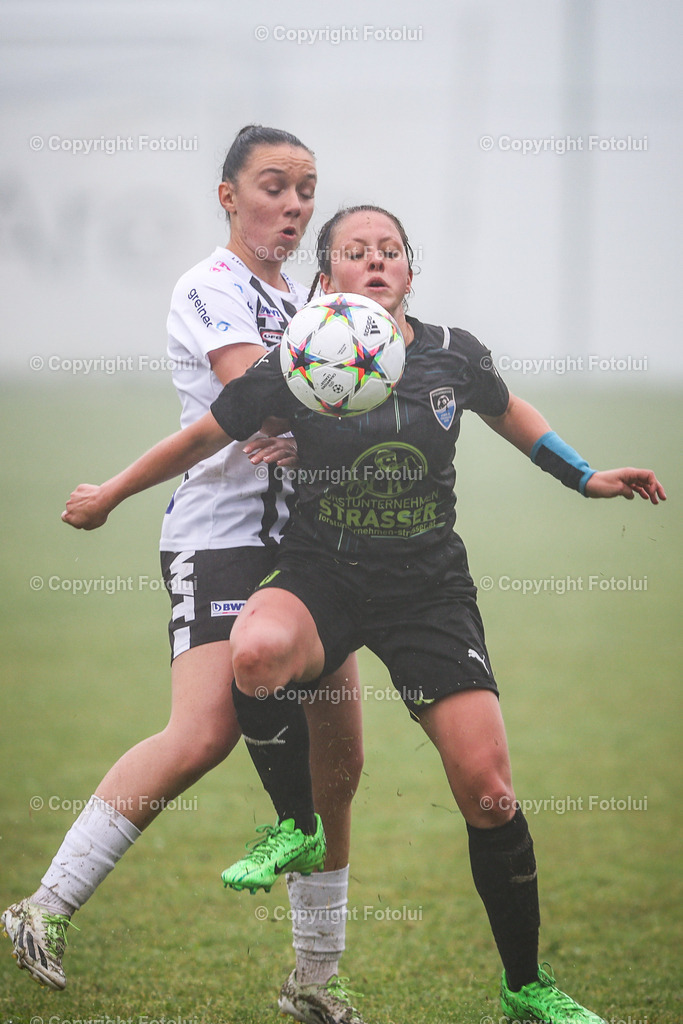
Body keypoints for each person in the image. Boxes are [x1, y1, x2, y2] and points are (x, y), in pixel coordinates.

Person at [52, 204, 665, 1024]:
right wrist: (111, 494)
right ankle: (295, 825)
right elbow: (205, 435)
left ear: (410, 271)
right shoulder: (297, 359)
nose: (375, 261)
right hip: (322, 575)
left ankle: (525, 986)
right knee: (255, 650)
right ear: (328, 275)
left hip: (427, 591)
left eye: (390, 251)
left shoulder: (452, 352)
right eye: (355, 251)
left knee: (489, 794)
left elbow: (511, 414)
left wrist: (584, 476)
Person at [2, 127, 367, 1024]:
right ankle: (40, 911)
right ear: (227, 196)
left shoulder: (307, 296)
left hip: (313, 547)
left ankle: (313, 986)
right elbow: (255, 396)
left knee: (340, 763)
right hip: (225, 541)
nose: (293, 206)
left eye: (306, 190)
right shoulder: (210, 289)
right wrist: (356, 355)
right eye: (273, 187)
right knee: (203, 732)